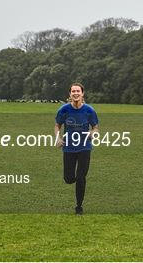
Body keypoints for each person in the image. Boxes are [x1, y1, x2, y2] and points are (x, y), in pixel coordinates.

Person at [55, 83, 99, 215]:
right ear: (70, 94)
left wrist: (93, 133)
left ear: (82, 93)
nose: (75, 93)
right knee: (69, 179)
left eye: (78, 91)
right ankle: (73, 179)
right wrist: (58, 138)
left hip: (84, 147)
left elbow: (95, 126)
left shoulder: (89, 110)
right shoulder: (64, 110)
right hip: (68, 148)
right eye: (73, 91)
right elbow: (57, 125)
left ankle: (79, 206)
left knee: (81, 177)